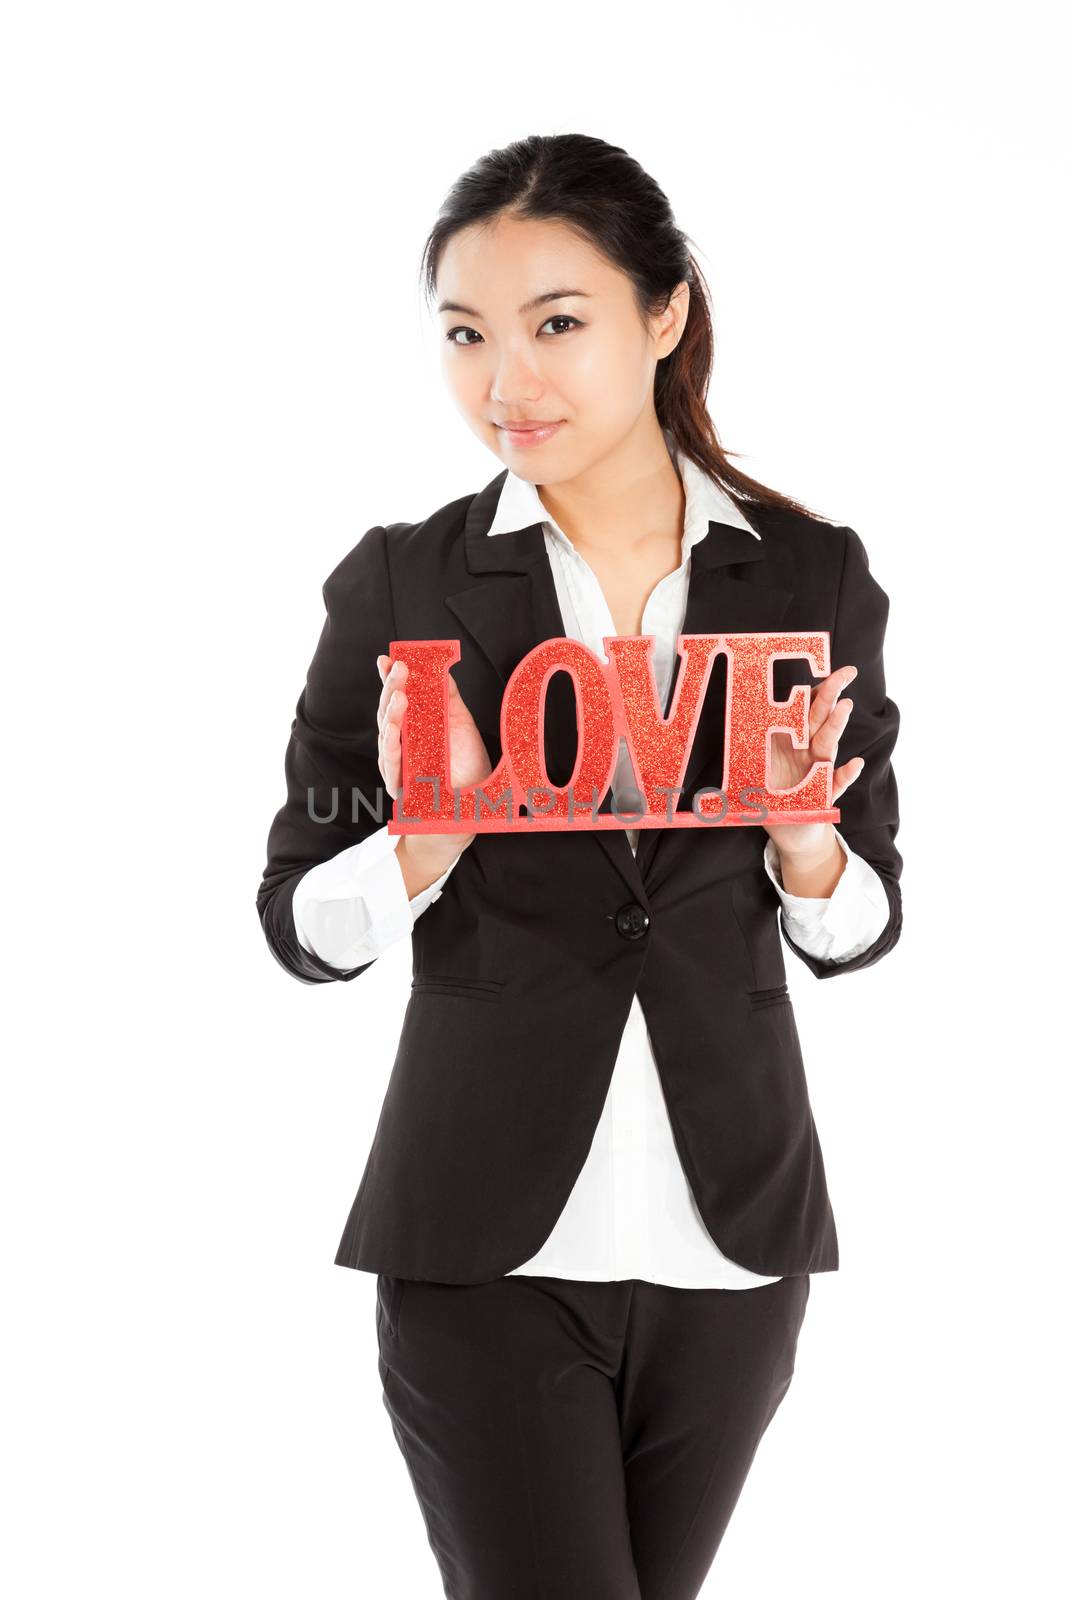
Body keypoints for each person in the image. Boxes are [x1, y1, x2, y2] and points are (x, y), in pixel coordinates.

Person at [257, 132, 903, 1600]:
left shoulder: (810, 577)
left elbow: (862, 920)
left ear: (663, 314)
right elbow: (300, 920)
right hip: (481, 1241)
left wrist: (807, 843)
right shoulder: (405, 584)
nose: (507, 384)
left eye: (558, 325)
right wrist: (429, 833)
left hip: (733, 1244)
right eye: (467, 336)